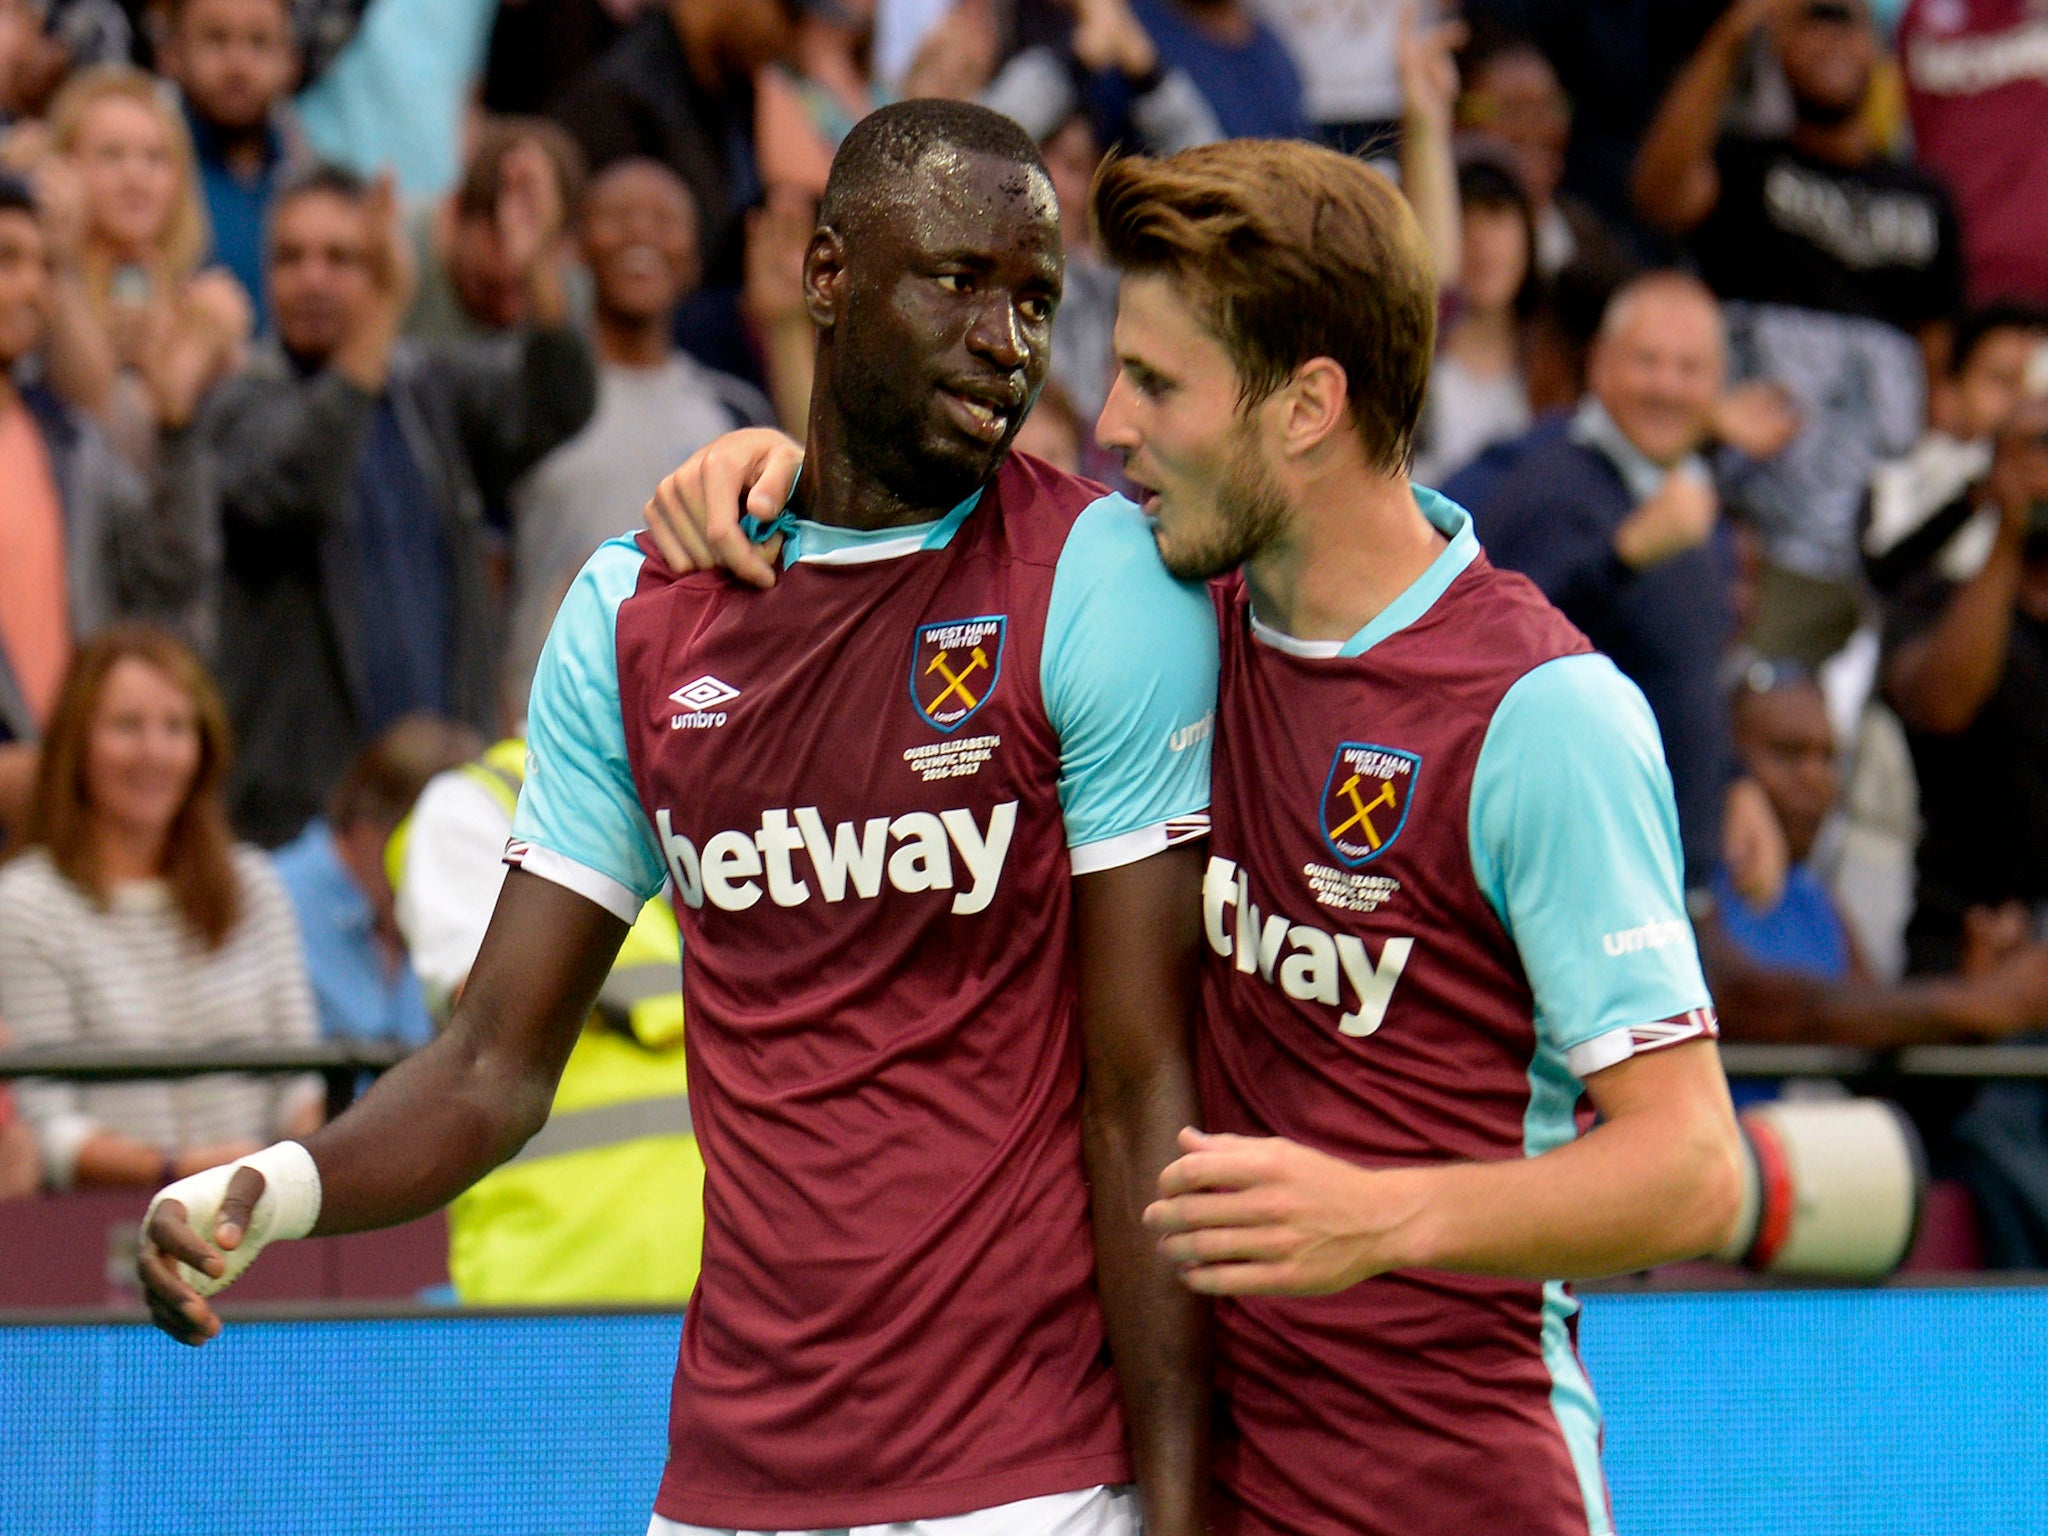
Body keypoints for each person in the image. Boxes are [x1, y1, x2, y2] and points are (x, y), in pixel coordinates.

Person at [637, 138, 1745, 1536]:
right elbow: (928, 524)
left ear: (1306, 406)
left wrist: (1386, 1219)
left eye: (1157, 383)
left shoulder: (1542, 715)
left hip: (1464, 1487)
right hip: (1216, 1481)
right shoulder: (1174, 626)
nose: (1107, 423)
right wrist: (781, 468)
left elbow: (1695, 1169)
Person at [140, 100, 1215, 1536]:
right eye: (957, 280)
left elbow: (1143, 1092)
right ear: (826, 274)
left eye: (1035, 299)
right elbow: (489, 1064)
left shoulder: (1095, 577)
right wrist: (266, 1191)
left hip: (1030, 1479)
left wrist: (1184, 1503)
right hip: (729, 1486)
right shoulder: (637, 614)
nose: (1004, 341)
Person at [207, 162, 595, 848]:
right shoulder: (239, 399)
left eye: (342, 257)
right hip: (306, 820)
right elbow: (296, 489)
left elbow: (556, 404)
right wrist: (381, 312)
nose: (314, 279)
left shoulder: (422, 385)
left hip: (445, 793)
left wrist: (537, 271)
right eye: (291, 257)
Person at [1633, 0, 1966, 666]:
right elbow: (1659, 195)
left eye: (1842, 19)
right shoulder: (1744, 167)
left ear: (1876, 47)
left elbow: (1938, 378)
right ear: (1776, 43)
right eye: (1807, 21)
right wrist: (1729, 36)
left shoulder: (1926, 197)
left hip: (1877, 544)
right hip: (1757, 535)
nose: (1827, 39)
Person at [1444, 273, 1747, 892]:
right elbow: (1495, 652)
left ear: (1718, 385)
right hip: (1572, 873)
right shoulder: (1549, 484)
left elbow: (1679, 670)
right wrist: (1624, 556)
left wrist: (1734, 783)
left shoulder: (1684, 495)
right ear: (1601, 367)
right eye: (1648, 362)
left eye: (1690, 368)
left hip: (1667, 869)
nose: (1668, 385)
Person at [0, 626, 324, 1193]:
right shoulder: (27, 904)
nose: (155, 752)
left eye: (176, 727)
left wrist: (282, 1166)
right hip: (105, 1234)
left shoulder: (255, 885)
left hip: (257, 1212)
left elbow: (299, 1083)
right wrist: (178, 1173)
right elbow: (48, 1125)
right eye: (127, 726)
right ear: (78, 745)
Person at [390, 734, 701, 1305]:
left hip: (703, 1271)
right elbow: (487, 1011)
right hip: (552, 1289)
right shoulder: (474, 803)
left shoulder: (672, 789)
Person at [502, 156, 774, 720]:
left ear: (696, 259)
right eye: (616, 216)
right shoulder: (529, 398)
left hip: (688, 722)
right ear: (575, 245)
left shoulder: (732, 413)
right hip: (543, 721)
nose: (640, 233)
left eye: (664, 219)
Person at [1697, 656, 2048, 1047]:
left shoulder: (1815, 900)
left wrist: (1978, 994)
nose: (1816, 779)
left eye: (1828, 758)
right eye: (1788, 753)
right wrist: (1976, 1001)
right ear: (1723, 763)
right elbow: (1747, 1003)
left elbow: (1868, 1027)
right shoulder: (1684, 882)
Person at [0, 171, 215, 750]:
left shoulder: (70, 444)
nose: (29, 287)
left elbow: (170, 575)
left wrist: (177, 429)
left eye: (46, 266)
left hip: (63, 794)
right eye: (7, 260)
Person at [30, 65, 253, 473]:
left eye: (156, 158)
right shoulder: (35, 295)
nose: (136, 176)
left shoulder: (206, 309)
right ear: (61, 169)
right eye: (110, 155)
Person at [271, 714, 482, 1050]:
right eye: (444, 850)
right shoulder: (268, 900)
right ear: (369, 824)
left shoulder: (439, 917)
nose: (455, 873)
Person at [157, 0, 307, 334]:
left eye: (259, 41)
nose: (238, 63)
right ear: (170, 55)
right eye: (215, 38)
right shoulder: (144, 176)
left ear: (291, 62)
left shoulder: (308, 181)